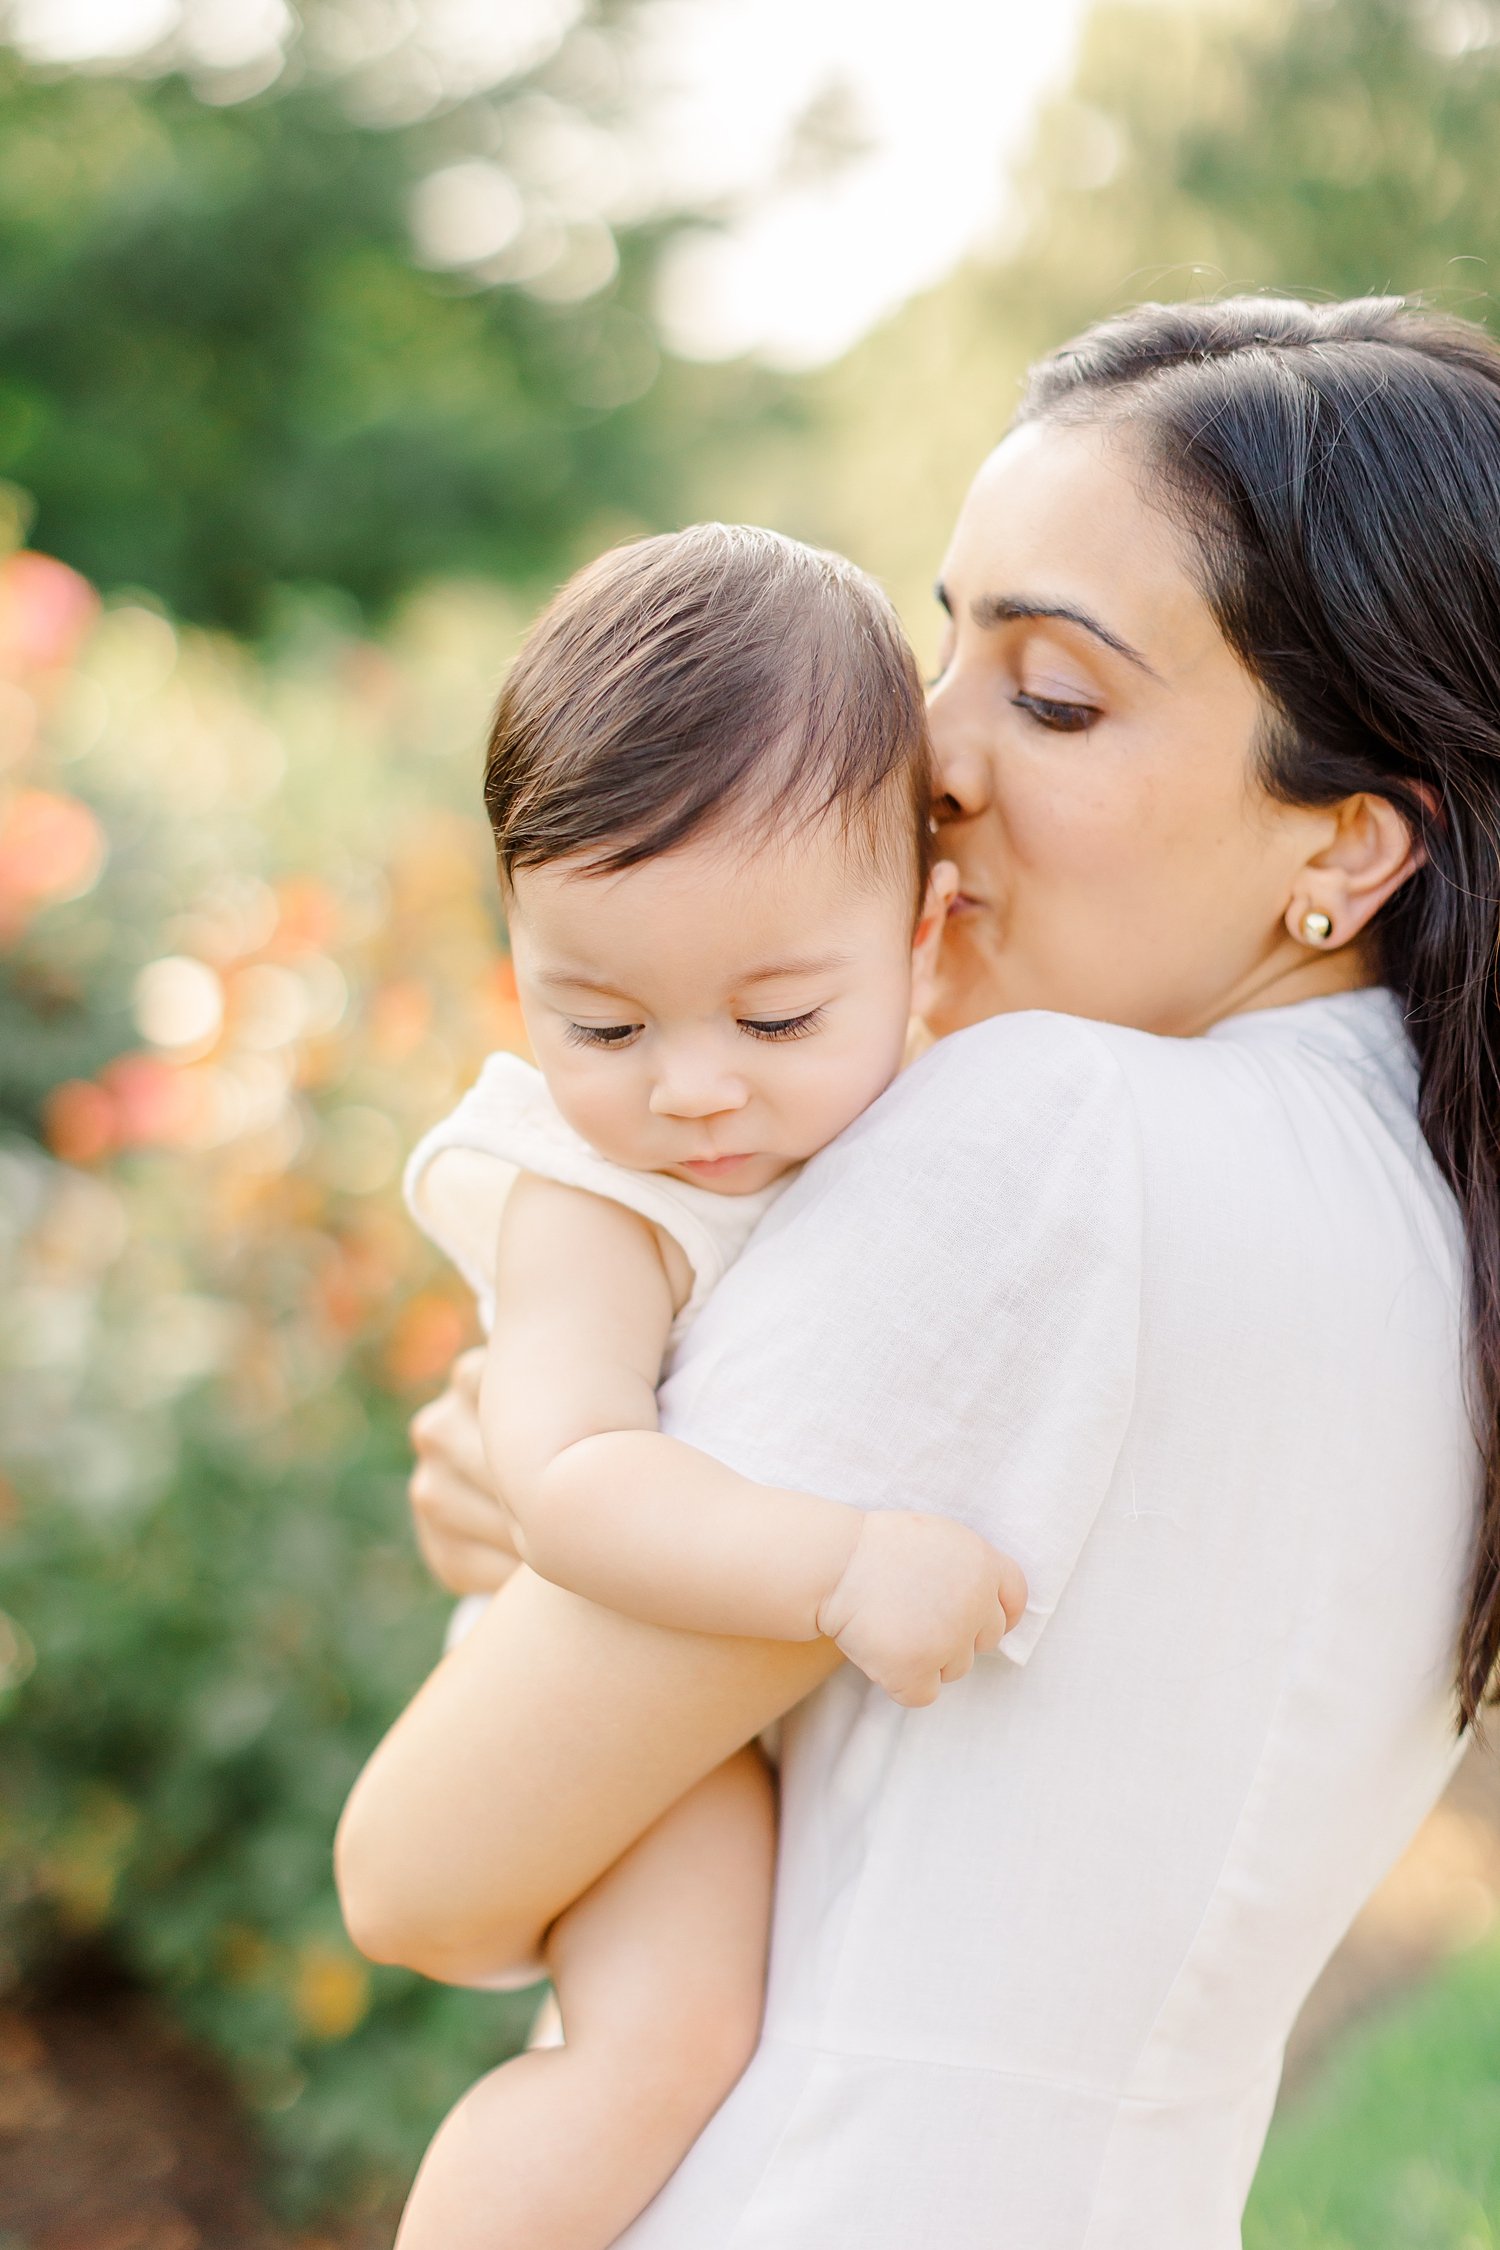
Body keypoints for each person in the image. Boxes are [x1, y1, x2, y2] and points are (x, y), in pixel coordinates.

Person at [338, 296, 1500, 2247]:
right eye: (945, 639)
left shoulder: (1051, 1141)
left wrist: (545, 1539)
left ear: (1353, 840)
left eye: (1052, 696)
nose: (931, 759)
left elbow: (421, 1870)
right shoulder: (1425, 1214)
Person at [382, 523, 1024, 2249]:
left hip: (739, 1715)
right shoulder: (599, 1204)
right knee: (659, 2047)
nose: (692, 1091)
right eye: (600, 1024)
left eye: (776, 1016)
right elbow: (573, 1482)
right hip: (619, 1723)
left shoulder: (966, 1079)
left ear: (924, 930)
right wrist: (839, 1564)